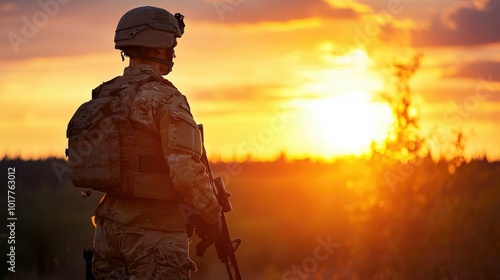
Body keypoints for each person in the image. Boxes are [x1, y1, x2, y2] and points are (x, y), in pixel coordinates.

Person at [90, 6, 221, 279]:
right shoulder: (165, 98)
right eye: (172, 44)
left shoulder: (105, 95)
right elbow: (185, 170)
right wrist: (212, 215)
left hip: (107, 230)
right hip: (155, 233)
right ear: (160, 47)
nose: (173, 52)